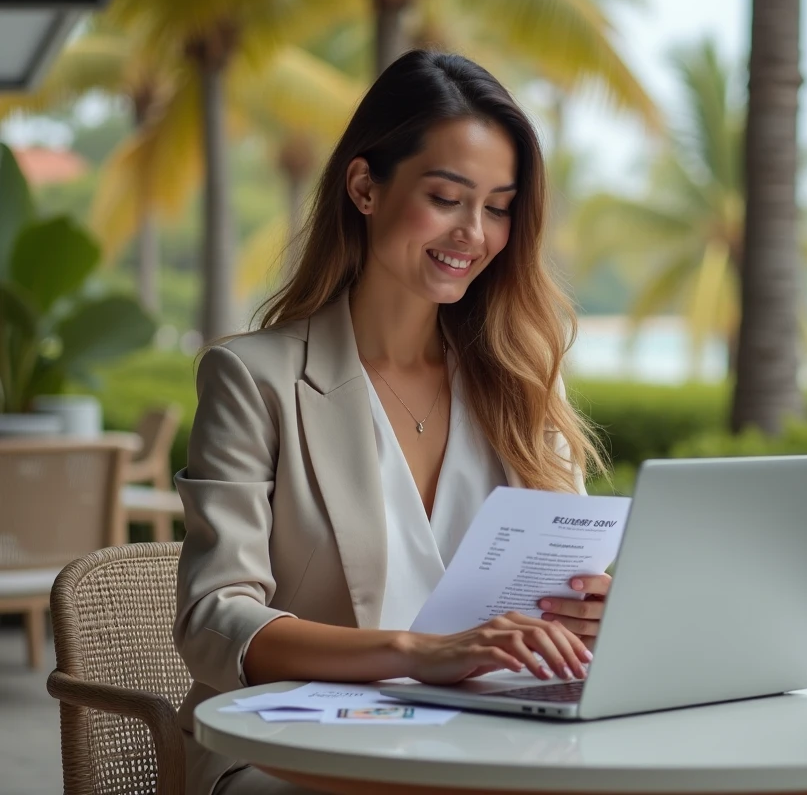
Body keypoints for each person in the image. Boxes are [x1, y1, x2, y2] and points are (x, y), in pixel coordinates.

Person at [174, 49, 609, 795]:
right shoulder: (255, 378)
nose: (475, 233)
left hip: (494, 740)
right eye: (447, 197)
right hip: (301, 749)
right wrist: (420, 651)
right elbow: (215, 620)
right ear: (365, 187)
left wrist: (595, 610)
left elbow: (562, 584)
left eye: (499, 206)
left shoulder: (522, 381)